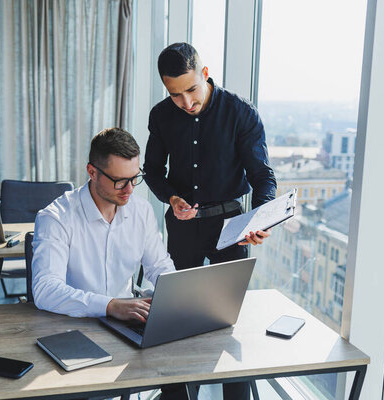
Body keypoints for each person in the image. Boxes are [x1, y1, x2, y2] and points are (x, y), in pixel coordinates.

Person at [144, 42, 277, 400]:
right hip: (182, 226)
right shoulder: (161, 115)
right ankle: (177, 395)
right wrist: (171, 198)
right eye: (176, 94)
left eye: (191, 90)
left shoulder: (241, 113)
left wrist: (259, 217)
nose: (186, 102)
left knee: (227, 323)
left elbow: (263, 177)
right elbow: (153, 171)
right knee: (176, 320)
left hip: (231, 229)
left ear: (205, 74)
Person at [32, 127, 175, 324]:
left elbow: (159, 266)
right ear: (92, 172)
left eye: (134, 178)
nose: (129, 189)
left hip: (127, 320)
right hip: (70, 323)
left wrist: (179, 297)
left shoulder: (141, 210)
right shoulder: (55, 218)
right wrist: (110, 306)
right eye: (120, 181)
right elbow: (45, 290)